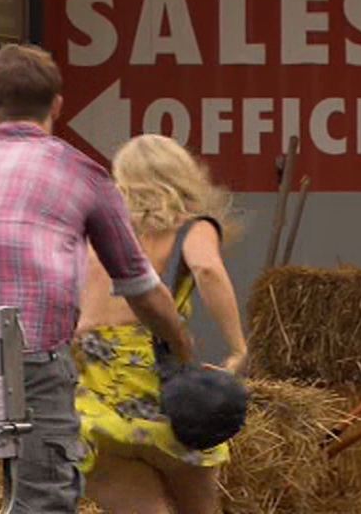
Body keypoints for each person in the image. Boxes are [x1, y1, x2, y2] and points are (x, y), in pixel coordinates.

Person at [0, 44, 194, 514]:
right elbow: (140, 287)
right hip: (31, 354)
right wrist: (182, 348)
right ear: (58, 105)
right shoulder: (84, 174)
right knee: (43, 494)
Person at [72, 134, 249, 514]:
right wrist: (237, 348)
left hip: (94, 387)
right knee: (199, 503)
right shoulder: (192, 227)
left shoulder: (93, 231)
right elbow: (207, 269)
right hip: (157, 384)